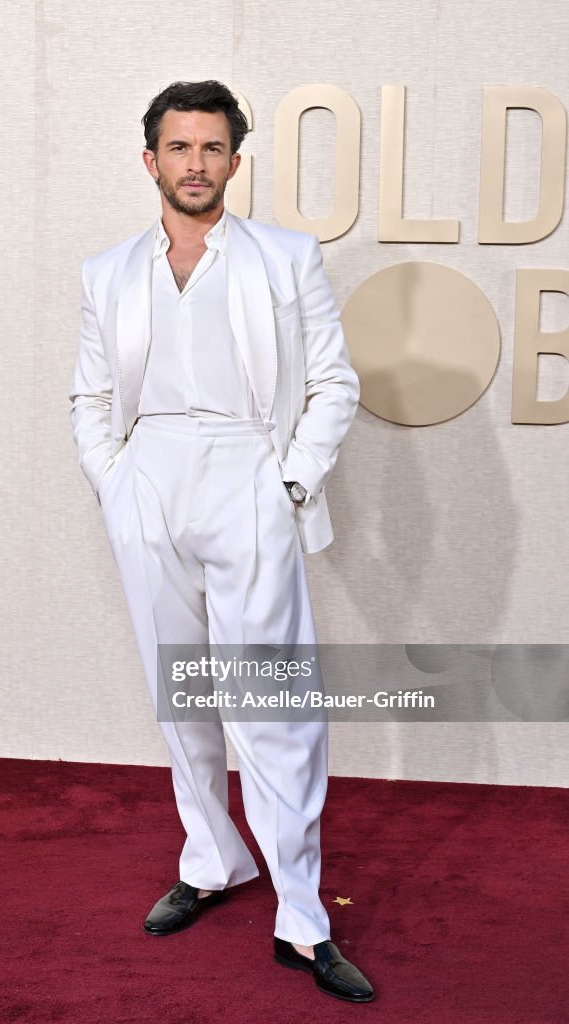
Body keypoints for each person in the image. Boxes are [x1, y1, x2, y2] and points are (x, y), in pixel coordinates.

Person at [69, 80, 374, 1004]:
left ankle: (302, 918)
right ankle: (211, 860)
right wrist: (116, 485)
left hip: (250, 474)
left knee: (270, 706)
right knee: (180, 693)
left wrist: (286, 486)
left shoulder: (287, 258)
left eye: (211, 148)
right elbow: (89, 398)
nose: (194, 163)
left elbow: (335, 384)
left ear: (235, 161)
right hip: (149, 477)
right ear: (150, 158)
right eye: (178, 146)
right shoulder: (107, 273)